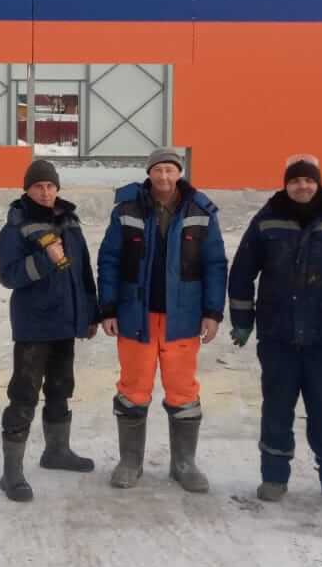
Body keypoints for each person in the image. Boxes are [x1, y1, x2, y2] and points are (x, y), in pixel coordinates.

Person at [227, 154, 322, 507]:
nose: (302, 186)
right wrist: (242, 320)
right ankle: (274, 477)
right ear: (286, 184)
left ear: (318, 183)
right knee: (277, 407)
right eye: (295, 181)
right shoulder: (266, 221)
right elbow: (242, 272)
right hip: (278, 334)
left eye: (308, 180)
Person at [97, 148, 227, 492]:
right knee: (133, 390)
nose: (164, 177)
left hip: (182, 318)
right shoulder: (127, 209)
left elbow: (215, 264)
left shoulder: (201, 211)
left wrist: (213, 312)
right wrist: (108, 308)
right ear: (149, 173)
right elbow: (109, 259)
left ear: (179, 173)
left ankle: (184, 464)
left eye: (170, 170)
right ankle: (130, 462)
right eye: (158, 170)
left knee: (183, 391)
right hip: (135, 317)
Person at [0, 159, 100, 502]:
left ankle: (57, 451)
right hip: (34, 324)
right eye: (38, 186)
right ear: (27, 189)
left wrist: (90, 313)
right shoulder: (16, 226)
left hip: (65, 323)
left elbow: (83, 272)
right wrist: (46, 260)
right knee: (24, 394)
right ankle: (11, 473)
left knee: (60, 387)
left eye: (50, 186)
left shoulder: (70, 222)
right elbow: (8, 275)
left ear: (57, 189)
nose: (45, 192)